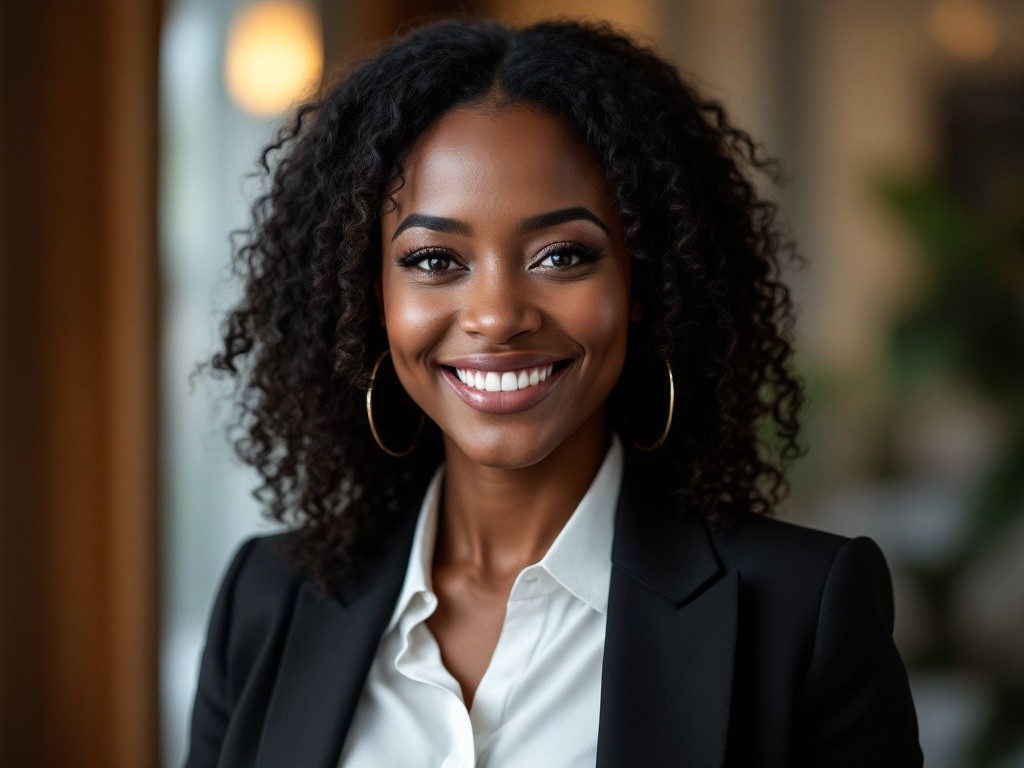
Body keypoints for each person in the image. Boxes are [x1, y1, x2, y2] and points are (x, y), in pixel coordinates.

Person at [183, 16, 923, 768]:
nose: (498, 317)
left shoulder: (804, 612)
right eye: (436, 260)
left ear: (643, 281)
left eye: (563, 255)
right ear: (368, 294)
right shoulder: (268, 600)